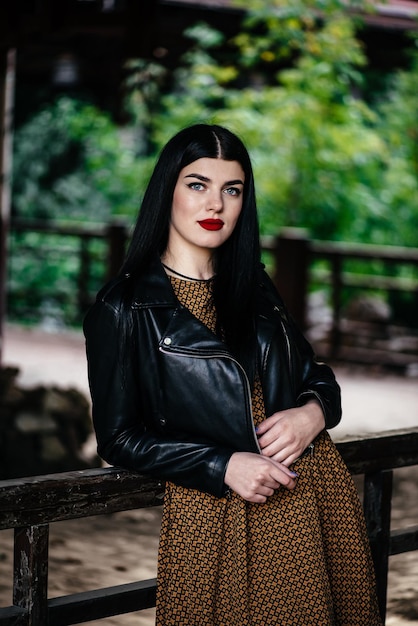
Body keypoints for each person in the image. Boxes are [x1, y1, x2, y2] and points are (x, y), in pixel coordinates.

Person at [84, 123, 382, 625]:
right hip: (222, 513)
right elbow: (118, 438)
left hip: (314, 499)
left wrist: (312, 415)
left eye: (232, 189)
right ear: (168, 192)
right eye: (197, 185)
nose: (215, 205)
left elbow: (318, 377)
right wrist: (221, 464)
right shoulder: (124, 308)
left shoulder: (254, 284)